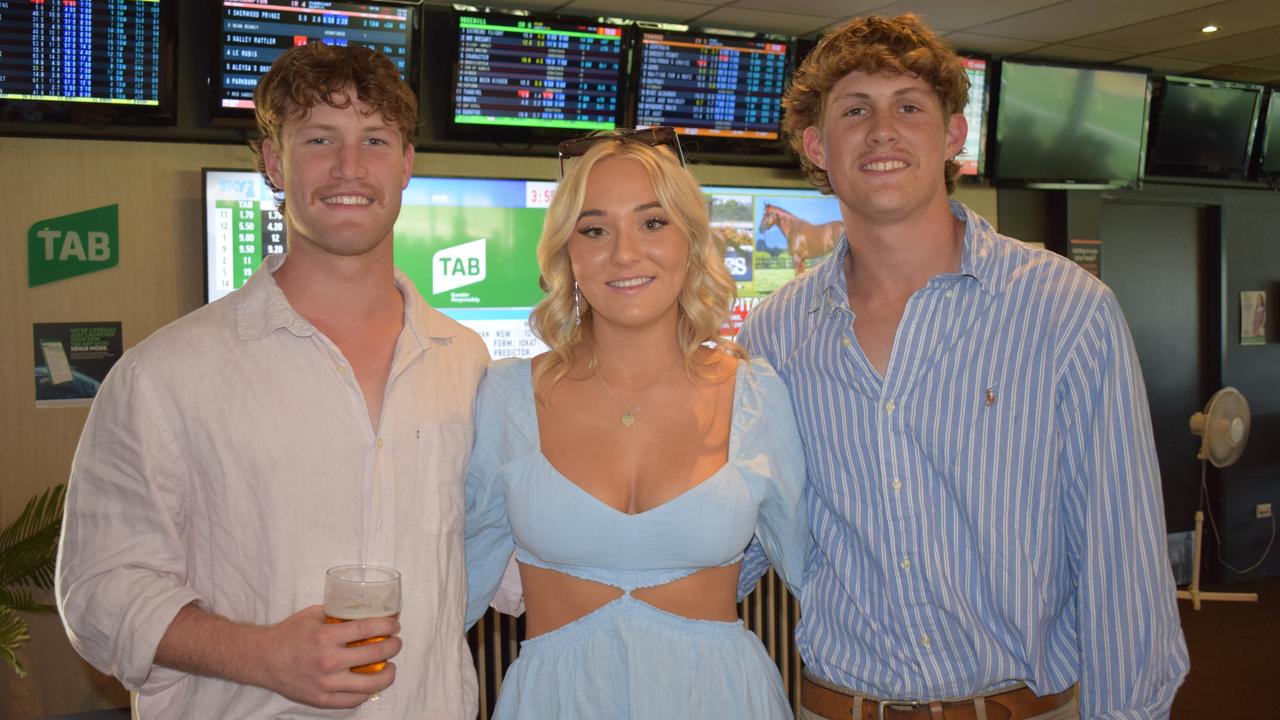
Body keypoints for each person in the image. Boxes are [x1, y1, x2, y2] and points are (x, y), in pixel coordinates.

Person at [737, 14, 1189, 720]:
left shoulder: (1066, 311)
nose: (882, 131)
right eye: (855, 110)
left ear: (953, 135)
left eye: (908, 106)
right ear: (817, 146)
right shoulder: (773, 334)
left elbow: (1120, 559)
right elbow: (735, 538)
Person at [55, 43, 488, 718]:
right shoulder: (164, 375)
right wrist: (263, 656)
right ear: (274, 162)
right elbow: (98, 592)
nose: (350, 167)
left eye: (374, 139)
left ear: (406, 164)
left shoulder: (468, 363)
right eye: (319, 138)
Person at [463, 127, 810, 718]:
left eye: (652, 223)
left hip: (723, 699)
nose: (624, 253)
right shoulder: (507, 396)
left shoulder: (755, 394)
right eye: (594, 230)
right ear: (567, 253)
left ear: (691, 242)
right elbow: (452, 586)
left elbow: (821, 575)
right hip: (556, 702)